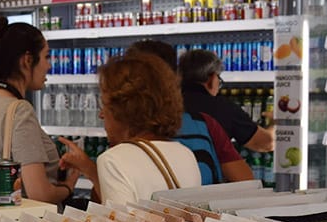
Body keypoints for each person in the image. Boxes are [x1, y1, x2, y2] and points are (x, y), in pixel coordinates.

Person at [0, 21, 78, 206]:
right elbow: (39, 193)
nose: (49, 65)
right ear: (27, 60)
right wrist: (69, 185)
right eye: (46, 56)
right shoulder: (20, 110)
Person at [65, 52, 200, 206]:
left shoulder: (113, 160)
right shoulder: (186, 154)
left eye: (105, 105)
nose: (101, 114)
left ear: (123, 109)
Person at [128, 39, 254, 184]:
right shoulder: (204, 124)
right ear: (175, 78)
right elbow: (246, 182)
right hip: (199, 205)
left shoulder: (123, 128)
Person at [179, 49, 275, 155]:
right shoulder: (223, 108)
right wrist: (276, 122)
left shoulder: (165, 104)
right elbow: (265, 143)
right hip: (207, 170)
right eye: (219, 79)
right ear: (211, 78)